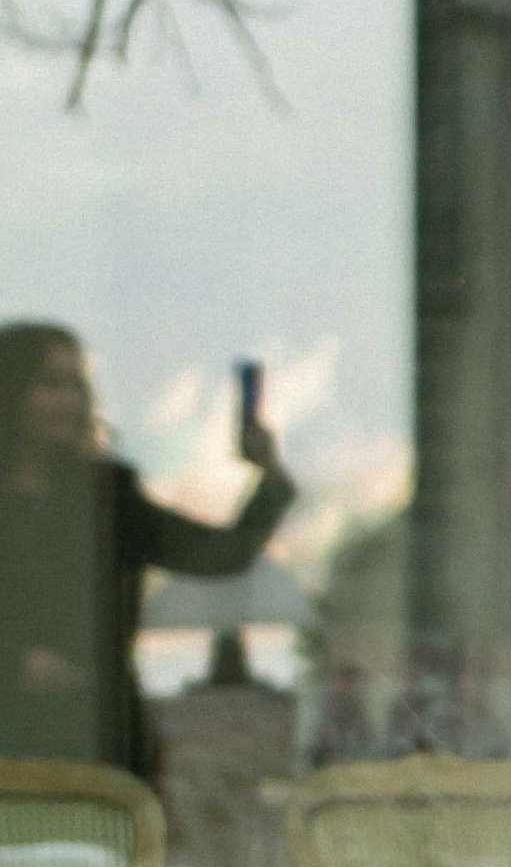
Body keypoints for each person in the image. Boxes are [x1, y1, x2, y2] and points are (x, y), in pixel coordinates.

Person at [0, 322, 293, 774]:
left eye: (76, 384)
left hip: (98, 744)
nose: (68, 401)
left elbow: (222, 554)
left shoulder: (105, 495)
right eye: (49, 384)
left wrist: (268, 473)